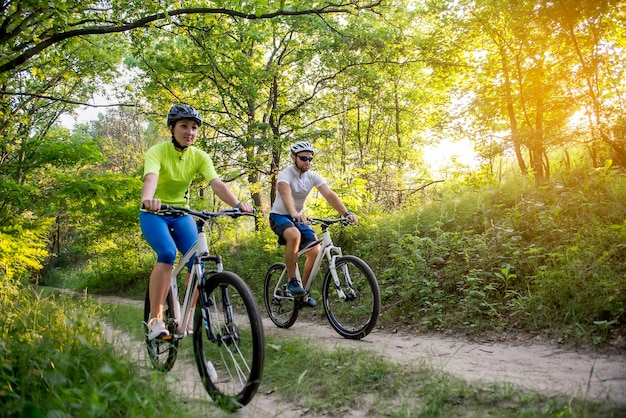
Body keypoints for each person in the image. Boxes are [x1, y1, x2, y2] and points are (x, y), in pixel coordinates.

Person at [140, 104, 253, 340]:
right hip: (154, 214)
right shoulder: (157, 152)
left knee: (197, 261)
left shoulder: (200, 156)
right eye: (184, 126)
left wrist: (237, 204)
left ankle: (189, 315)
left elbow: (217, 183)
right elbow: (151, 177)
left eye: (194, 128)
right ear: (172, 128)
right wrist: (147, 199)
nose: (189, 132)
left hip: (181, 214)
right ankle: (155, 318)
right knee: (167, 254)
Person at [269, 141, 358, 307]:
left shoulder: (312, 176)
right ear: (293, 157)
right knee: (294, 235)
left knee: (316, 250)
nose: (307, 162)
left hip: (297, 217)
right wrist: (294, 212)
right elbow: (285, 193)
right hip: (279, 216)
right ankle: (291, 280)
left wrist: (346, 213)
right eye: (303, 158)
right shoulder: (285, 175)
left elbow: (329, 194)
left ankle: (302, 292)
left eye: (310, 159)